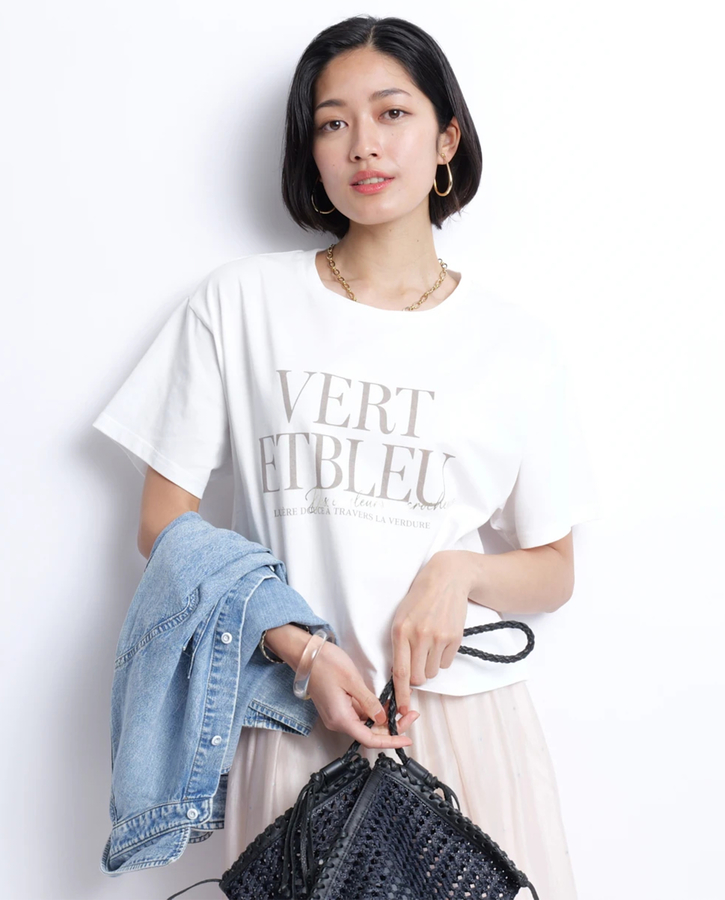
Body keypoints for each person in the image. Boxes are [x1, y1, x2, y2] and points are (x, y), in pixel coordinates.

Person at [93, 14, 601, 897]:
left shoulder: (516, 346)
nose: (364, 143)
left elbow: (555, 569)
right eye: (333, 122)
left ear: (447, 140)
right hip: (298, 719)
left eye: (392, 113)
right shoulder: (242, 303)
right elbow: (164, 525)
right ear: (312, 151)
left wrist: (459, 573)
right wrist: (304, 653)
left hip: (462, 727)